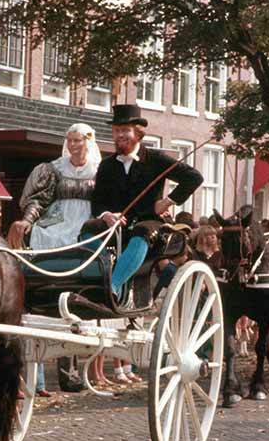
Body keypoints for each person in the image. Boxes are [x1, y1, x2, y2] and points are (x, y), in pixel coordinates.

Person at [83, 104, 203, 297]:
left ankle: (112, 286)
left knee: (142, 231)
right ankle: (107, 273)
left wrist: (167, 201)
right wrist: (107, 215)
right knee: (88, 230)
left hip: (149, 222)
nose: (119, 135)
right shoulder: (106, 165)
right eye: (116, 131)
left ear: (138, 133)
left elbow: (194, 177)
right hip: (117, 225)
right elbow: (97, 202)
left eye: (125, 131)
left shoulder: (156, 159)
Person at [8, 123, 101, 250]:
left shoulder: (99, 170)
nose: (72, 144)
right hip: (59, 218)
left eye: (77, 140)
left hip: (88, 219)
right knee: (44, 233)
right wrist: (27, 220)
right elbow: (39, 199)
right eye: (69, 140)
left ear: (88, 142)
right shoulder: (55, 168)